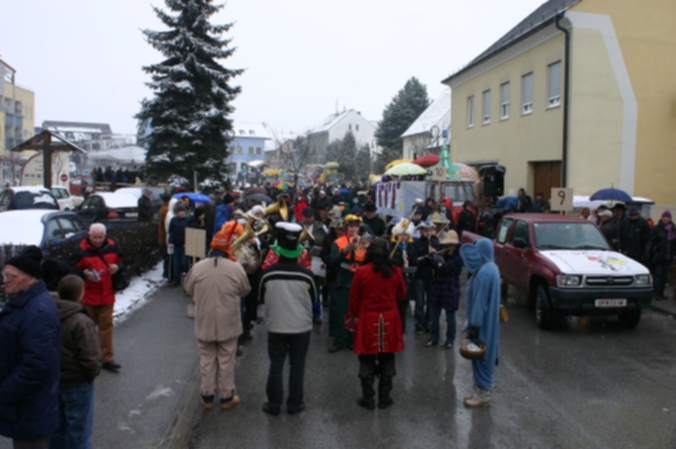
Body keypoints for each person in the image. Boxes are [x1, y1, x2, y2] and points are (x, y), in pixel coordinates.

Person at [0, 246, 60, 449]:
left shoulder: (38, 312)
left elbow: (37, 366)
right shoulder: (22, 301)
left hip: (30, 408)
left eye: (11, 276)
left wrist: (5, 393)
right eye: (4, 274)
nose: (4, 280)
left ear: (31, 278)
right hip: (24, 404)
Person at [184, 239, 251, 411]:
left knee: (206, 359)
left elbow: (188, 288)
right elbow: (245, 290)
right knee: (226, 359)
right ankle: (226, 396)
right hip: (228, 322)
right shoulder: (236, 268)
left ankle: (207, 397)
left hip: (205, 321)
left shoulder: (197, 267)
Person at [258, 222, 317, 415]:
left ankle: (274, 404)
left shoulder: (267, 274)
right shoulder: (308, 276)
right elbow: (315, 299)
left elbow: (261, 298)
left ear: (279, 249)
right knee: (297, 365)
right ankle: (295, 404)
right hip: (301, 327)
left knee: (276, 365)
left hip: (276, 325)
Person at [346, 238, 406, 410]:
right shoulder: (396, 271)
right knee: (387, 359)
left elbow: (354, 299)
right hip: (389, 319)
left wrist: (353, 317)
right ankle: (385, 397)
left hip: (368, 320)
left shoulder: (362, 272)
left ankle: (368, 398)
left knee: (366, 360)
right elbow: (402, 294)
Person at [49, 275, 102, 449]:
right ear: (80, 293)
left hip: (55, 380)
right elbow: (90, 356)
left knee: (56, 428)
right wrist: (91, 374)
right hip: (77, 382)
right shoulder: (80, 321)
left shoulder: (49, 314)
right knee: (79, 430)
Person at [69, 223, 125, 373]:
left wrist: (118, 267)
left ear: (105, 236)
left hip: (107, 295)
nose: (98, 240)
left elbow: (123, 261)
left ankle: (107, 358)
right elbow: (71, 269)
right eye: (95, 237)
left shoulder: (113, 247)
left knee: (106, 328)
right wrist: (83, 274)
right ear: (89, 236)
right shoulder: (81, 250)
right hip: (88, 296)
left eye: (101, 237)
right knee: (88, 329)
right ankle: (89, 358)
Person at [459, 239, 501, 408]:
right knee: (487, 354)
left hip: (482, 323)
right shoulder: (492, 268)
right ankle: (479, 391)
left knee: (481, 356)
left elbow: (480, 302)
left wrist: (474, 325)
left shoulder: (484, 272)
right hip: (490, 321)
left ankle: (483, 395)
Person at [328, 214, 367, 352]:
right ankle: (339, 341)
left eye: (356, 226)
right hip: (343, 282)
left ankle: (352, 341)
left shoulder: (363, 242)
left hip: (359, 283)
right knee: (341, 313)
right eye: (351, 226)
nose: (354, 229)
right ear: (346, 228)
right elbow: (332, 261)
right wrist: (345, 251)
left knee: (356, 313)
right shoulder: (338, 242)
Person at [426, 230, 463, 349]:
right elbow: (437, 266)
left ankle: (450, 340)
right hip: (439, 286)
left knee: (450, 316)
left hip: (450, 288)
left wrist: (436, 262)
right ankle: (434, 337)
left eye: (451, 244)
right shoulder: (444, 253)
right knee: (434, 315)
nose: (448, 246)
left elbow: (446, 268)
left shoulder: (458, 257)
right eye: (448, 244)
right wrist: (433, 257)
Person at [389, 218, 417, 333]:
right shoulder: (393, 247)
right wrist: (400, 261)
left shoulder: (410, 247)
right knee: (394, 304)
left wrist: (409, 256)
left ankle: (402, 327)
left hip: (407, 280)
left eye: (405, 235)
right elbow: (390, 261)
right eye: (401, 234)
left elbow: (415, 261)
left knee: (403, 305)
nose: (403, 237)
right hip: (395, 279)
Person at [412, 221, 440, 335]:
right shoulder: (416, 243)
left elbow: (439, 260)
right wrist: (425, 255)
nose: (427, 233)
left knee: (430, 302)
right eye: (425, 230)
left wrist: (435, 255)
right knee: (419, 302)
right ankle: (419, 325)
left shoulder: (435, 242)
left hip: (431, 276)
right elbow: (414, 260)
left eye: (429, 230)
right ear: (421, 231)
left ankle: (428, 324)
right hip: (419, 275)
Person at [645, 211, 673, 300]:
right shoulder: (656, 229)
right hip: (658, 256)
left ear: (670, 218)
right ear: (661, 218)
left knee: (665, 276)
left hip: (668, 256)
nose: (665, 219)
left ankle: (661, 293)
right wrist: (648, 253)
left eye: (667, 217)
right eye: (664, 217)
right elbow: (650, 242)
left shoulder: (672, 229)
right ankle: (656, 294)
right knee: (658, 275)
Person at [168, 204, 190, 287]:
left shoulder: (188, 220)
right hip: (176, 245)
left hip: (185, 245)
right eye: (180, 212)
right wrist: (170, 242)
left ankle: (187, 280)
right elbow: (171, 232)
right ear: (177, 212)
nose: (182, 213)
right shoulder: (173, 220)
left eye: (183, 212)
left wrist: (187, 242)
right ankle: (176, 280)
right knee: (176, 263)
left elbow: (189, 232)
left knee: (184, 263)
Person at [158, 193, 171, 278]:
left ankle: (166, 271)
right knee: (167, 256)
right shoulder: (166, 210)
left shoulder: (162, 208)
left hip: (162, 236)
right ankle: (166, 272)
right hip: (165, 237)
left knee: (166, 256)